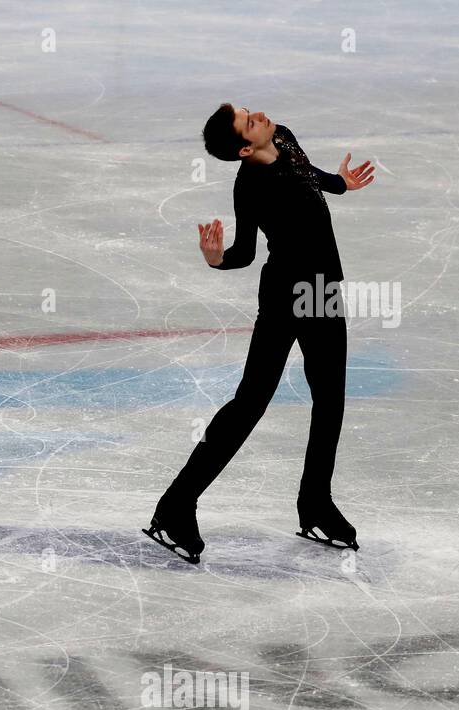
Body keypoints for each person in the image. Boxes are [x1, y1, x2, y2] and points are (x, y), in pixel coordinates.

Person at [143, 104, 375, 564]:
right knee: (250, 402)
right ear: (246, 147)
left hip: (323, 288)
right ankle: (175, 506)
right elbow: (246, 252)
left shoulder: (284, 134)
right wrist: (215, 259)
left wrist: (341, 184)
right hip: (286, 297)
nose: (261, 115)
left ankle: (316, 502)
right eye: (250, 121)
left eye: (250, 111)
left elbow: (308, 173)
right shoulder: (250, 186)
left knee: (330, 397)